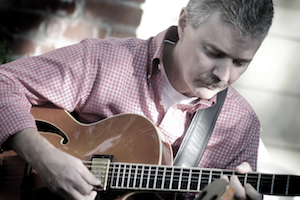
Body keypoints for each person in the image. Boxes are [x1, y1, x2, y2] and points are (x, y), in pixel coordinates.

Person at [0, 0, 273, 199]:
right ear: (184, 23)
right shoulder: (104, 62)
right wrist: (43, 156)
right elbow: (5, 82)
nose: (223, 74)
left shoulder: (241, 127)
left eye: (240, 62)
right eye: (213, 52)